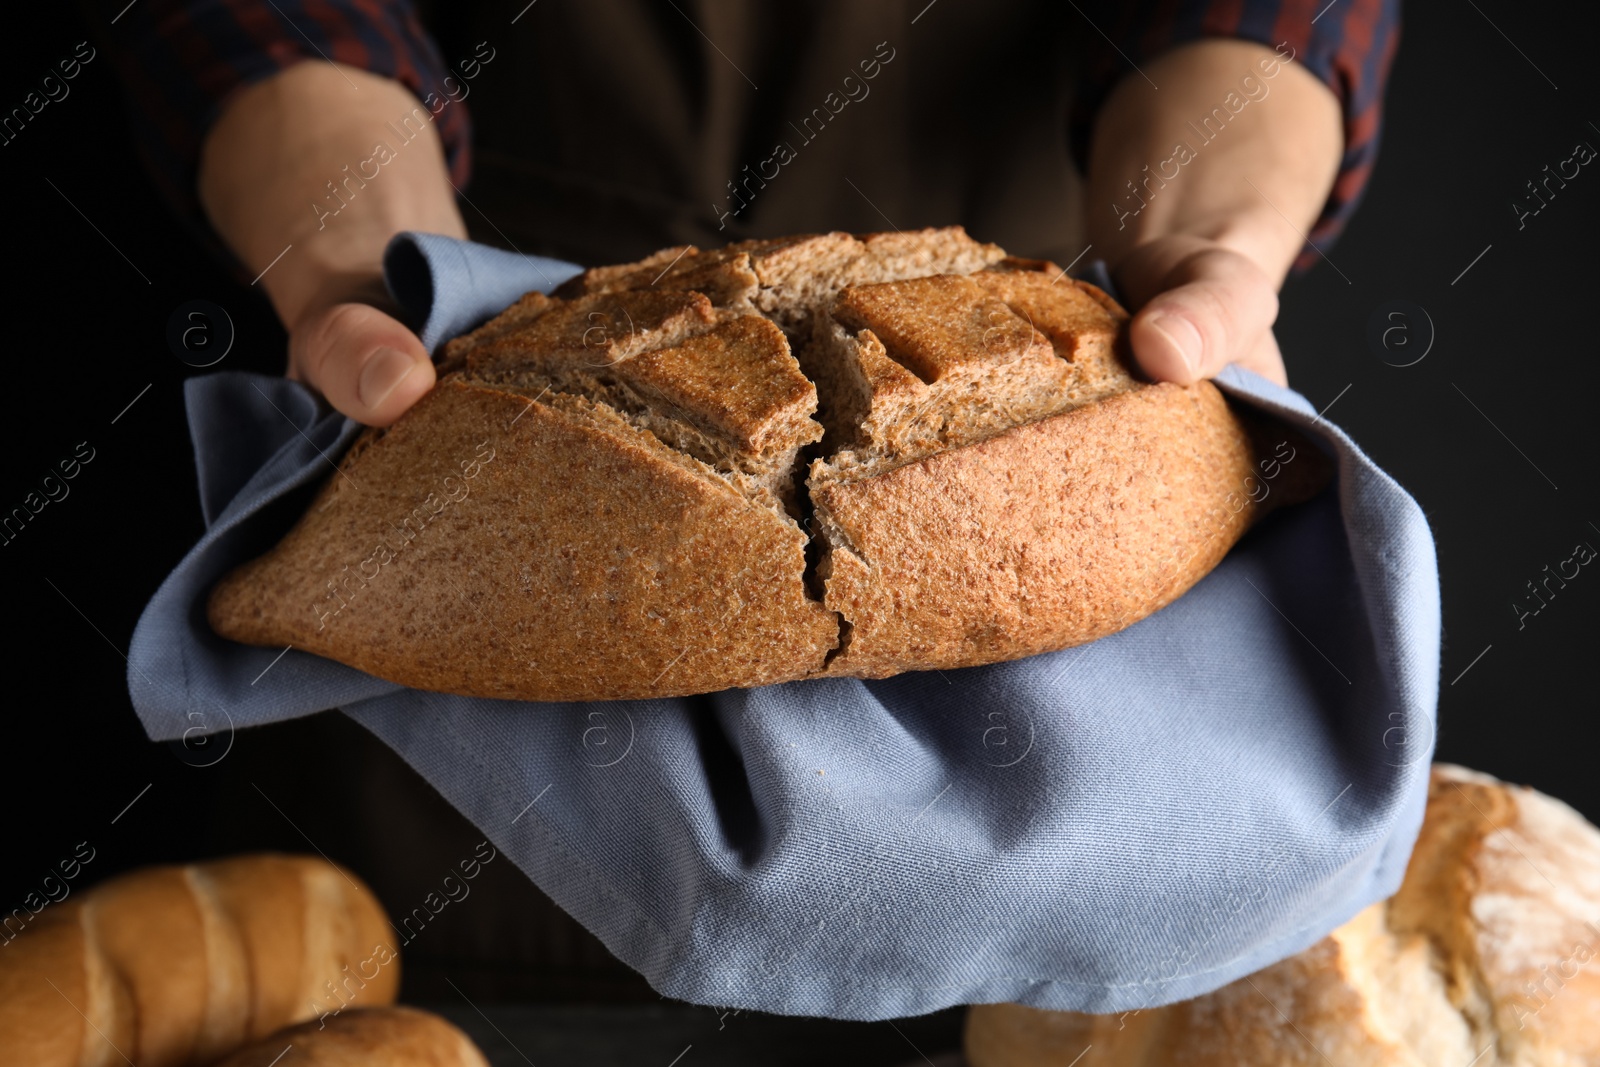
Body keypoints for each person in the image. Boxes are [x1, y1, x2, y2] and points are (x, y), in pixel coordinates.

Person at [104, 0, 1398, 1008]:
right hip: (448, 817)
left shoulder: (1141, 429)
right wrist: (369, 253)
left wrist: (1210, 233)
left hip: (1040, 320)